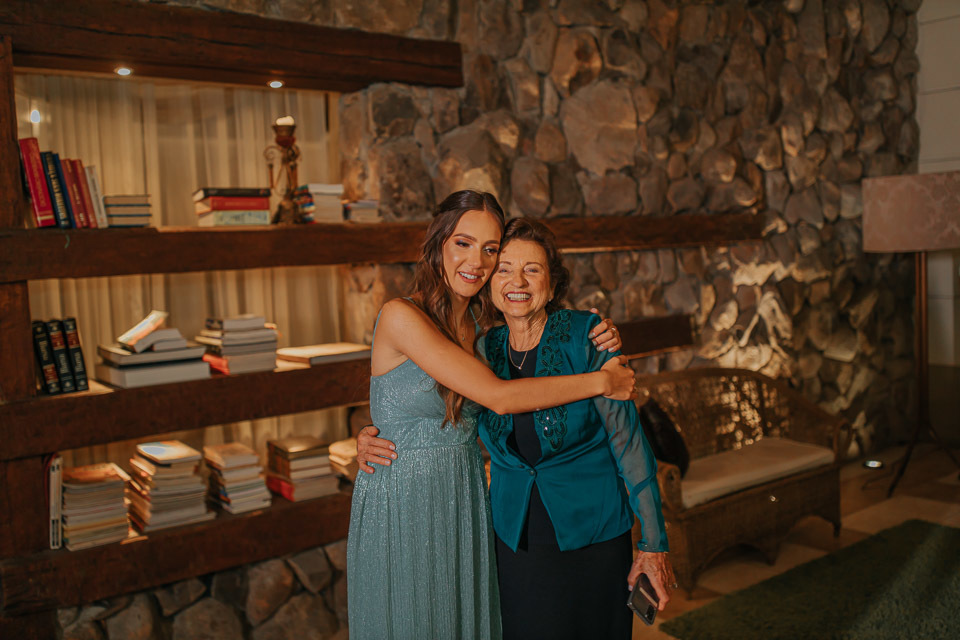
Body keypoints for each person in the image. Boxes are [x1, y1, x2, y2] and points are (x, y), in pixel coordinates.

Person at [346, 190, 636, 640]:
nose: (476, 261)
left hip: (463, 498)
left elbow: (534, 352)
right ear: (438, 244)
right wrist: (602, 381)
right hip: (404, 501)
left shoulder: (482, 335)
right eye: (463, 243)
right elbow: (499, 398)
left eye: (490, 249)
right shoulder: (399, 315)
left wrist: (596, 335)